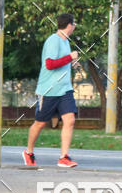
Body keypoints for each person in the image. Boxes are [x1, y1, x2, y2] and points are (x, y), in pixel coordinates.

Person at [23, 13, 80, 168]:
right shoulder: (53, 40)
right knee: (40, 124)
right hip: (49, 90)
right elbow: (50, 64)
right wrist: (69, 57)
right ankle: (28, 152)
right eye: (74, 24)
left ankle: (64, 157)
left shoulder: (65, 42)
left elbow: (62, 62)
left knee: (70, 120)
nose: (74, 27)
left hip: (65, 90)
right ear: (70, 25)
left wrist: (72, 63)